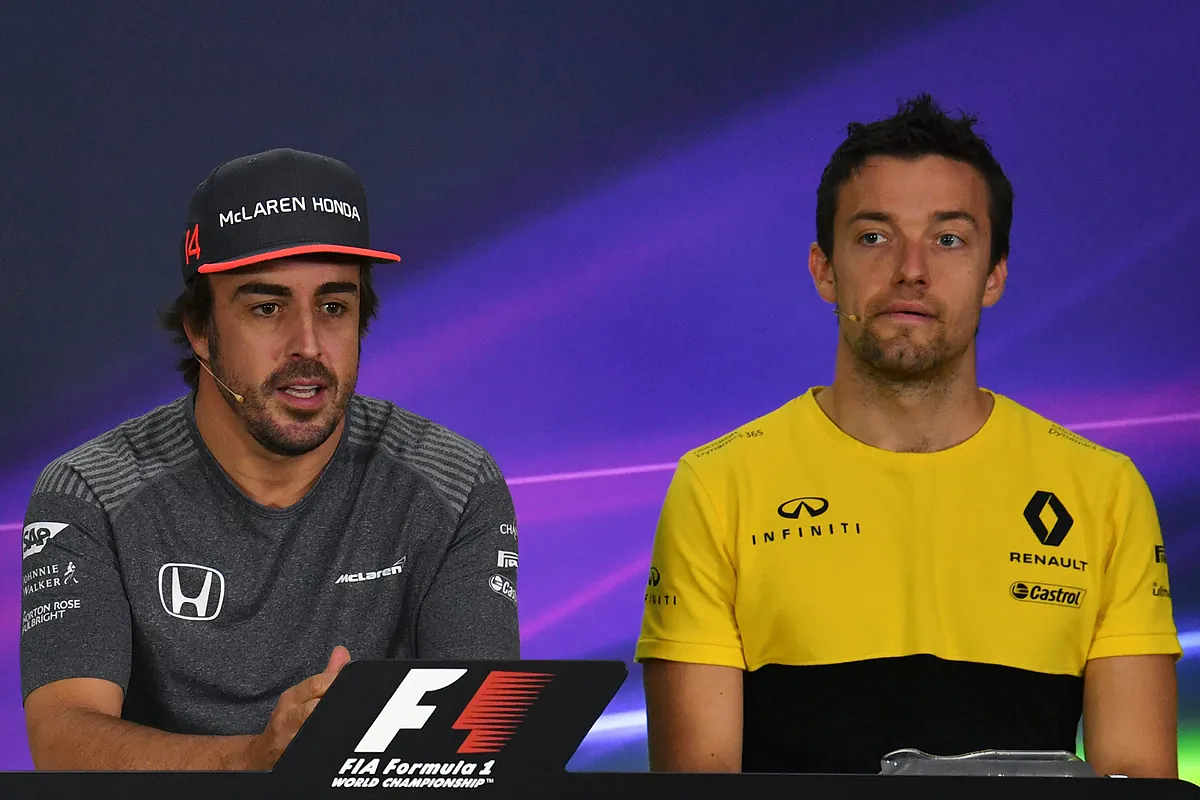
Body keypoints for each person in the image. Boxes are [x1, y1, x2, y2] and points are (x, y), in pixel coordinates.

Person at [635, 95, 1181, 778]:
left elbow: (1135, 782)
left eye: (949, 239)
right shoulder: (719, 487)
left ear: (995, 275)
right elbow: (696, 785)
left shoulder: (1102, 491)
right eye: (874, 237)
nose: (911, 269)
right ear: (824, 270)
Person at [20, 148, 521, 770]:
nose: (307, 345)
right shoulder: (90, 492)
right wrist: (255, 763)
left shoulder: (455, 484)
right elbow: (62, 742)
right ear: (200, 329)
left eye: (334, 307)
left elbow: (481, 747)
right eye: (267, 307)